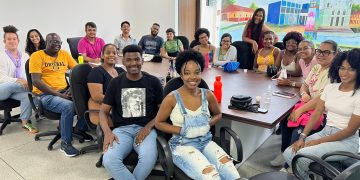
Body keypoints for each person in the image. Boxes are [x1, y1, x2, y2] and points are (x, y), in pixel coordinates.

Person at [155, 50, 240, 179]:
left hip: (206, 142)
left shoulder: (208, 95)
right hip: (182, 146)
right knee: (212, 177)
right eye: (187, 73)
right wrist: (181, 130)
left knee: (232, 175)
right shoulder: (172, 98)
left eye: (197, 72)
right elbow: (158, 123)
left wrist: (208, 123)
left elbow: (218, 114)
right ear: (181, 75)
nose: (193, 77)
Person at [283, 48, 360, 179]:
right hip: (326, 131)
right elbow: (317, 113)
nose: (344, 73)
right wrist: (302, 137)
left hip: (347, 141)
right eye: (342, 67)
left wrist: (318, 141)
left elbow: (350, 131)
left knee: (302, 158)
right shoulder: (331, 88)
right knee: (288, 153)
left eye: (351, 69)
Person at [270, 40, 339, 169]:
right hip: (307, 107)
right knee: (285, 120)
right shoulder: (317, 67)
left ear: (335, 55)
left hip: (321, 113)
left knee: (298, 130)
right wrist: (304, 94)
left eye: (326, 52)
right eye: (320, 51)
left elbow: (321, 100)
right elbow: (305, 85)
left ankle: (290, 165)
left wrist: (300, 111)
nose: (321, 55)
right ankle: (284, 152)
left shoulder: (334, 74)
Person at [100, 45, 163, 180]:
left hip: (146, 129)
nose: (133, 63)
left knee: (148, 159)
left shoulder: (153, 82)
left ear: (142, 61)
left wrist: (148, 127)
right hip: (122, 131)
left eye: (137, 59)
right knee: (109, 160)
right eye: (129, 60)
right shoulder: (115, 83)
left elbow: (162, 111)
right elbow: (103, 112)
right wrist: (107, 132)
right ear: (123, 62)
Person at [30, 33, 92, 157]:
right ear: (46, 42)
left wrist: (71, 88)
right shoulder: (37, 56)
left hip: (63, 91)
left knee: (89, 99)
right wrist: (59, 95)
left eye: (59, 42)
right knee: (68, 106)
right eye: (54, 42)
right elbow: (36, 81)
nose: (57, 45)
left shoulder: (64, 54)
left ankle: (79, 129)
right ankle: (65, 143)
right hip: (44, 95)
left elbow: (77, 71)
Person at [0, 25, 36, 133]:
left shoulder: (25, 55)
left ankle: (25, 122)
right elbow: (1, 77)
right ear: (4, 41)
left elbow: (27, 74)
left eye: (14, 39)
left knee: (27, 96)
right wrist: (17, 80)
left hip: (19, 89)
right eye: (9, 39)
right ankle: (36, 90)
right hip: (3, 89)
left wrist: (24, 80)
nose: (12, 41)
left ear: (18, 40)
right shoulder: (1, 56)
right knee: (14, 85)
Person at [87, 44, 125, 125]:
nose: (111, 55)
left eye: (114, 53)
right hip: (106, 109)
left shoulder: (121, 71)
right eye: (108, 53)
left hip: (120, 107)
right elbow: (97, 97)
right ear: (102, 55)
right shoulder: (96, 72)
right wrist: (121, 101)